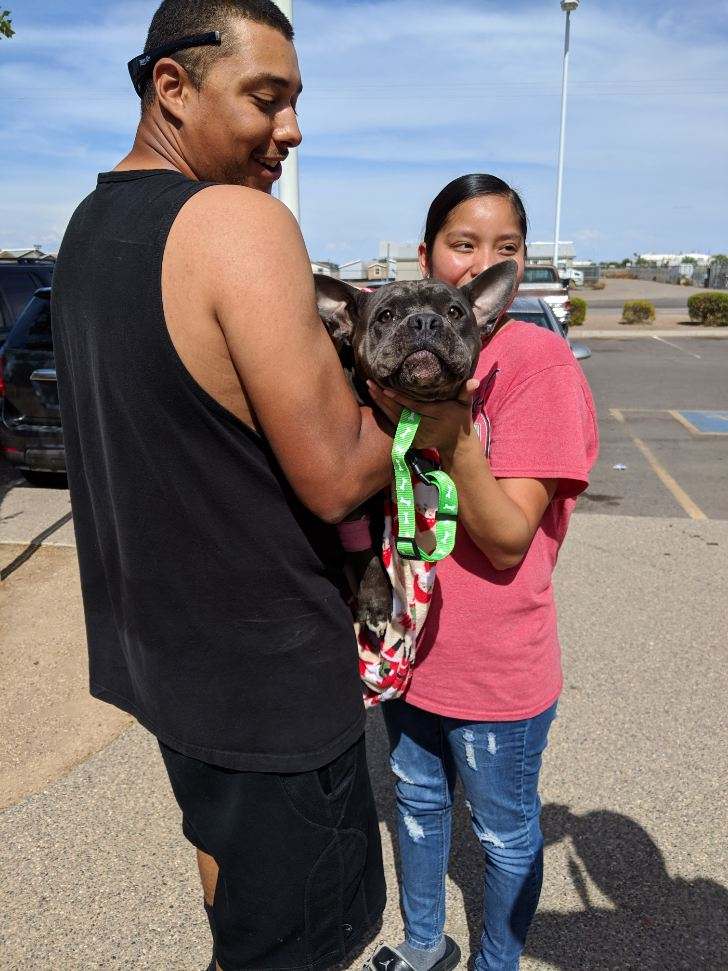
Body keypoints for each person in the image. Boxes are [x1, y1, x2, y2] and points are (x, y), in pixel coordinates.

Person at [50, 3, 466, 969]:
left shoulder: (88, 228)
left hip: (162, 660)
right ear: (172, 87)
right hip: (266, 686)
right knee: (305, 943)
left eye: (295, 101)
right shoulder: (238, 222)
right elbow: (336, 479)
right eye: (265, 98)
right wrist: (431, 420)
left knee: (236, 889)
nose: (292, 129)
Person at [365, 174, 599, 971]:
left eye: (504, 251)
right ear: (427, 251)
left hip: (498, 669)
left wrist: (456, 434)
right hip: (411, 651)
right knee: (419, 808)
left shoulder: (536, 364)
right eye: (462, 244)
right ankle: (426, 942)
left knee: (503, 832)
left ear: (511, 281)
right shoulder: (391, 352)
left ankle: (497, 962)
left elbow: (505, 541)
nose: (475, 265)